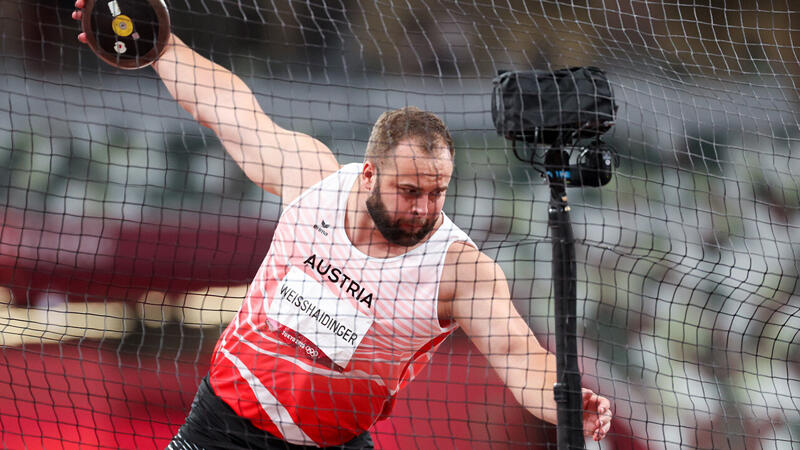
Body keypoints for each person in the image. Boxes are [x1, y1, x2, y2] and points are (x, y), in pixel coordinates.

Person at [73, 2, 613, 448]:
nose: (424, 209)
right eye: (408, 192)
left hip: (332, 442)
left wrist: (565, 401)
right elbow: (230, 110)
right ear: (370, 174)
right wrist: (162, 46)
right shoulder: (315, 181)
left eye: (436, 193)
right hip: (223, 426)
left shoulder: (460, 270)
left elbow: (520, 354)